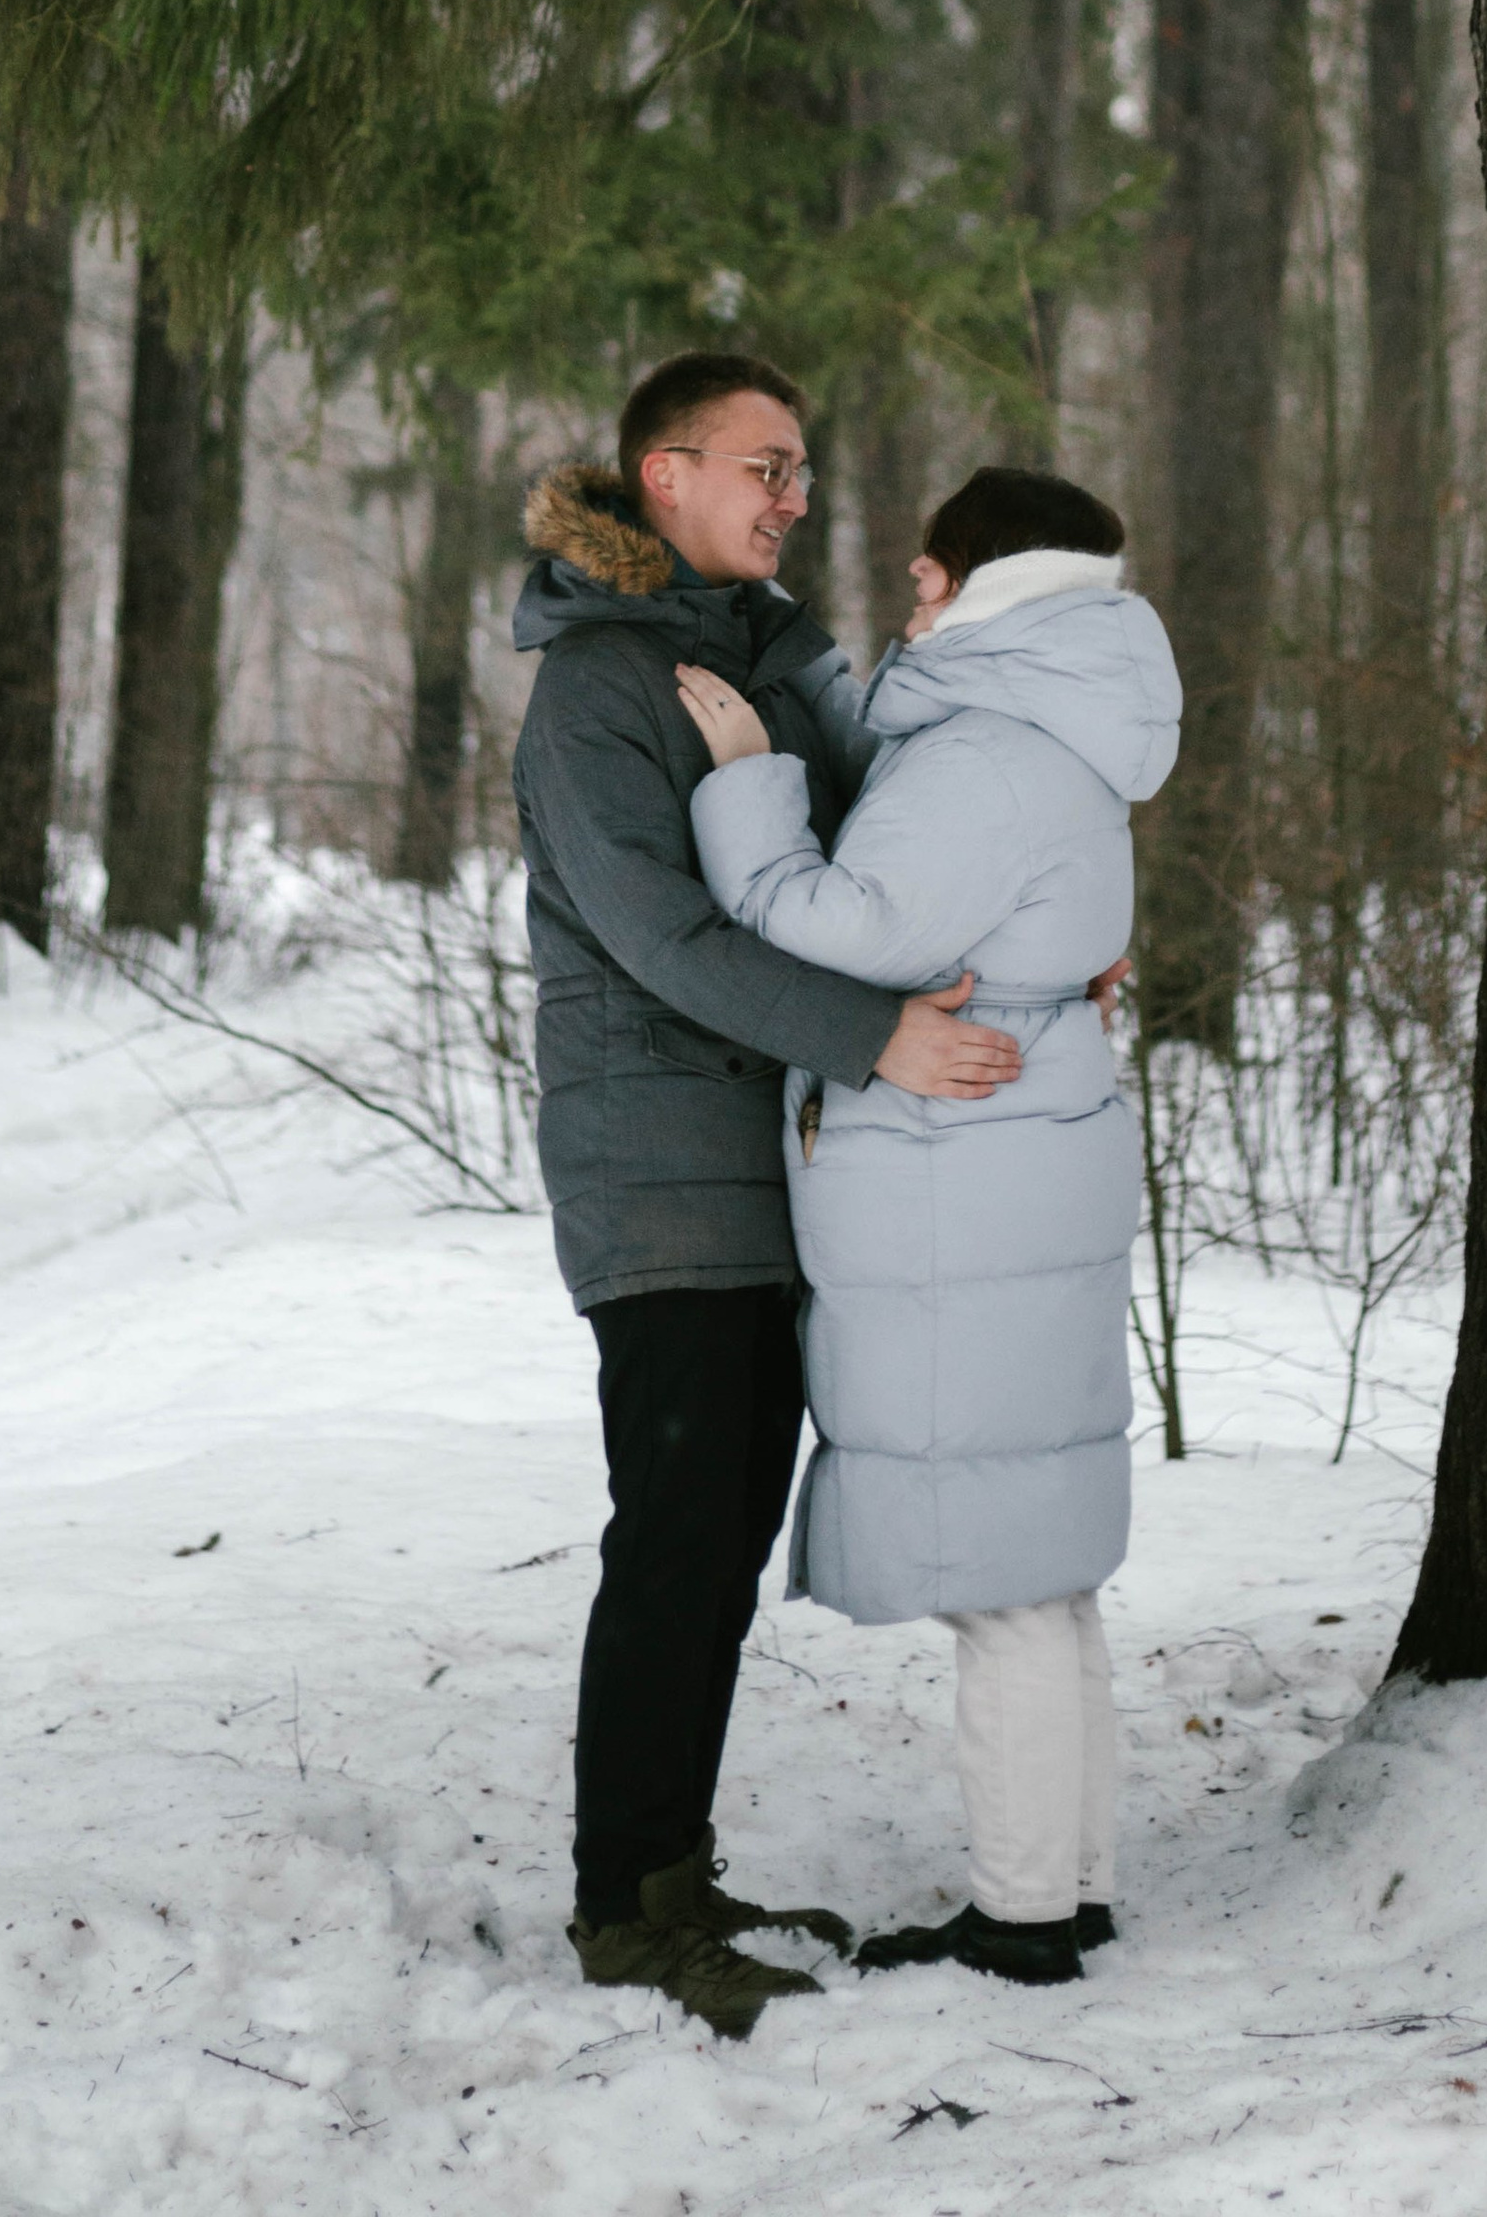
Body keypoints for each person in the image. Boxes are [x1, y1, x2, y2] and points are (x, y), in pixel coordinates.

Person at [509, 352, 1030, 2041]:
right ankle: (618, 1906)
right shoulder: (596, 694)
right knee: (673, 1536)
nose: (793, 497)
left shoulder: (774, 661)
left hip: (781, 1169)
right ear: (664, 475)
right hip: (660, 1173)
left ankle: (673, 1877)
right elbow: (665, 940)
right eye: (764, 466)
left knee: (721, 1534)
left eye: (803, 470)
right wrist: (872, 1039)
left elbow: (875, 869)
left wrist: (1028, 954)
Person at [675, 464, 1179, 1990]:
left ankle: (1023, 1917)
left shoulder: (985, 749)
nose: (903, 591)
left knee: (1007, 1581)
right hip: (1029, 1151)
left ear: (966, 581)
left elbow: (842, 925)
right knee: (1043, 1563)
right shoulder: (1072, 729)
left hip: (975, 1172)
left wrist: (749, 780)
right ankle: (1069, 1886)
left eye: (923, 573)